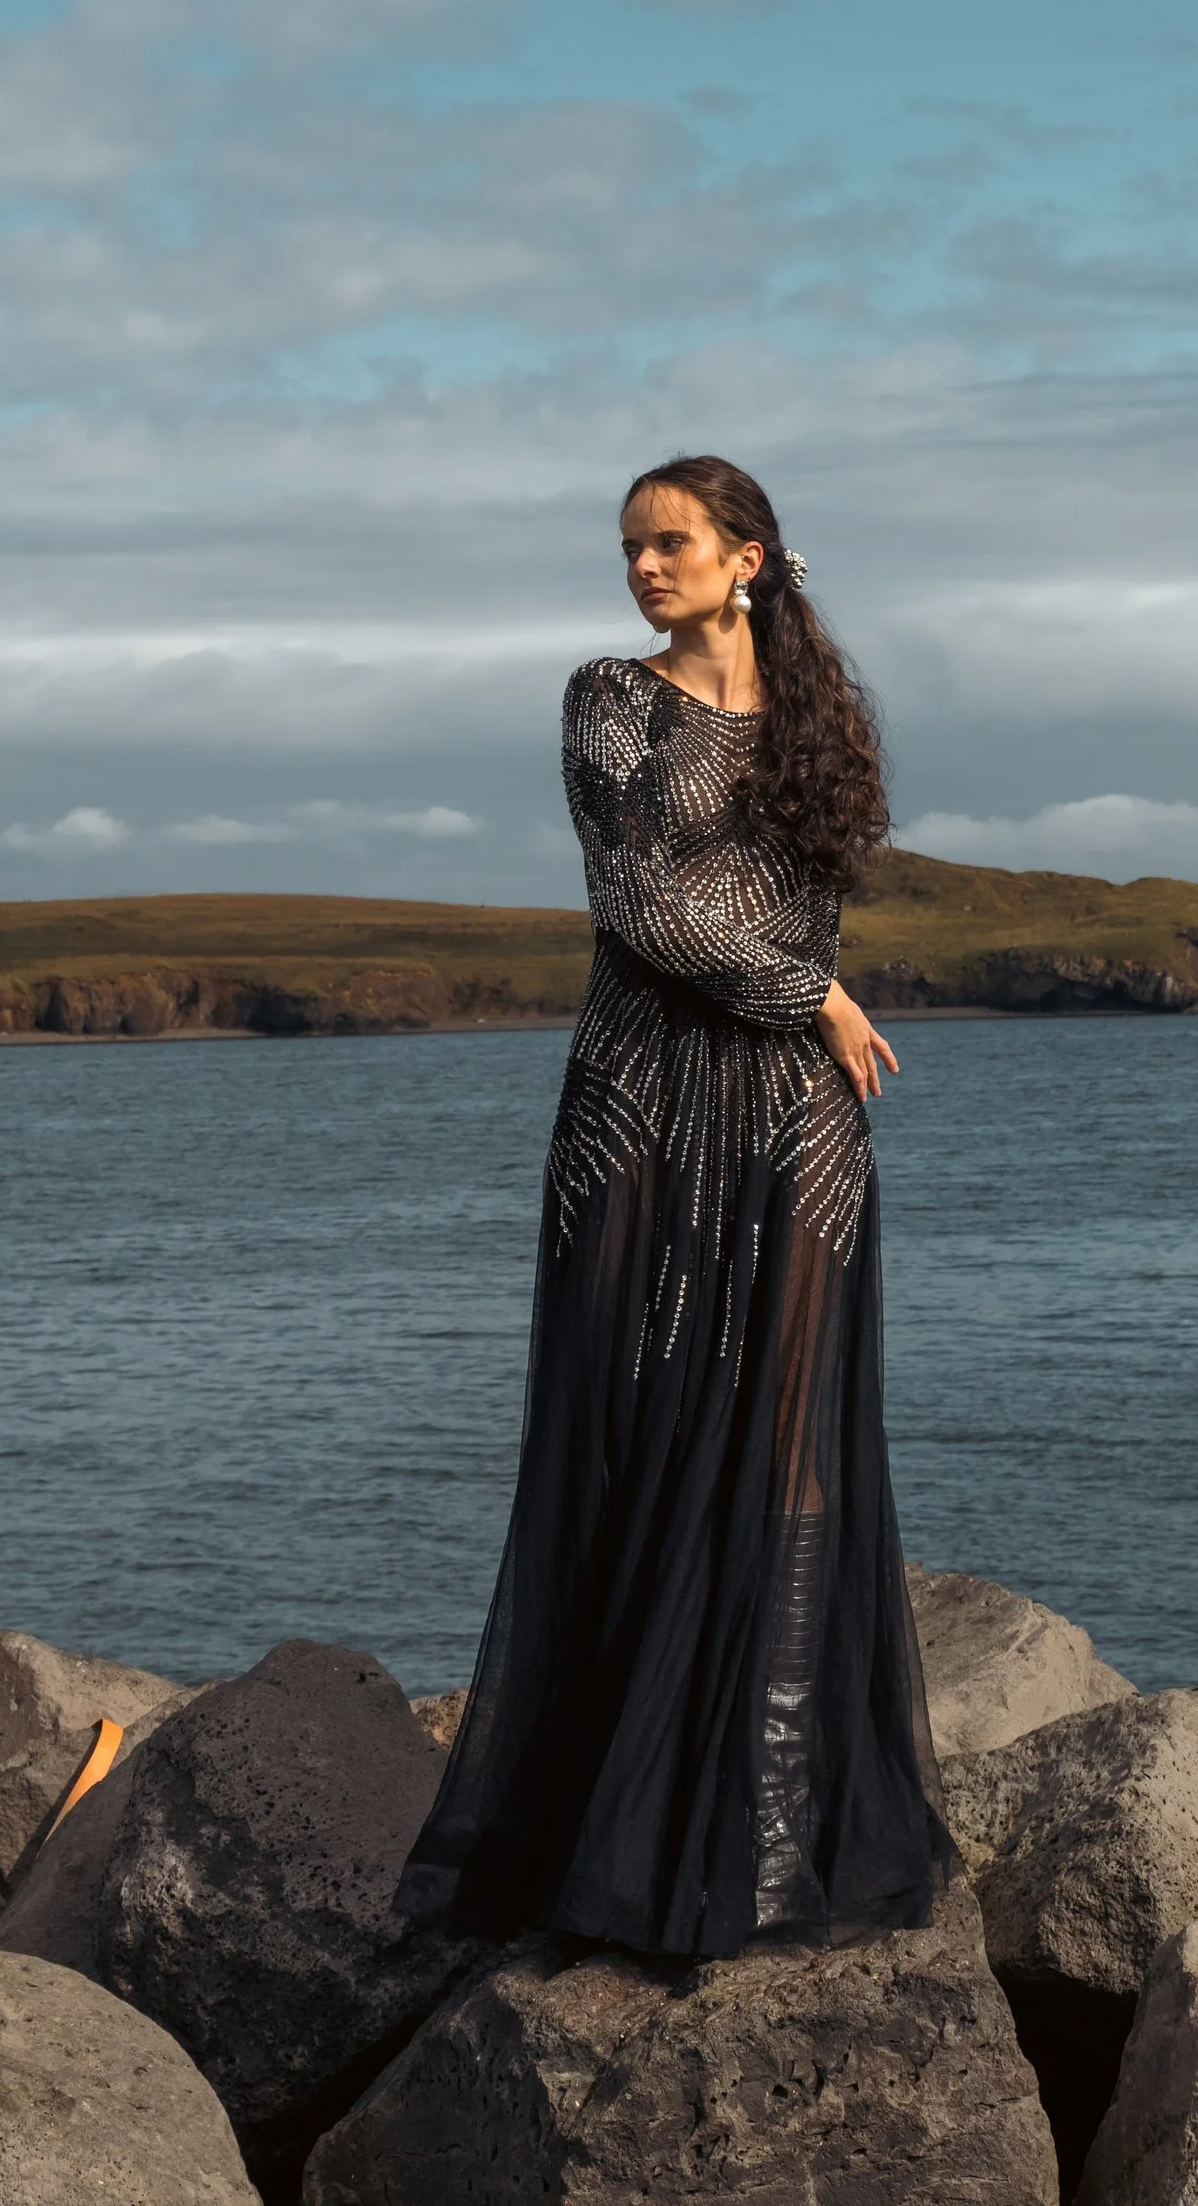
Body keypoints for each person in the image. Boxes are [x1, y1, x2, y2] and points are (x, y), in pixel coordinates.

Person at [397, 454, 955, 1958]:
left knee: (793, 1444)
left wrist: (811, 1010)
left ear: (747, 557)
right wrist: (818, 995)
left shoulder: (823, 721)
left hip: (796, 1119)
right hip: (642, 1108)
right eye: (633, 548)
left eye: (673, 544)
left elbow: (803, 891)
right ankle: (610, 1848)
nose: (647, 567)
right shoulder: (609, 700)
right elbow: (640, 900)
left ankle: (772, 1846)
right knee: (628, 1429)